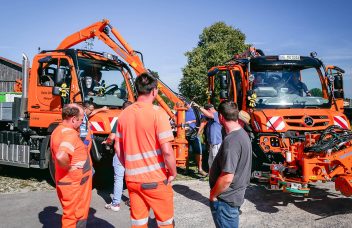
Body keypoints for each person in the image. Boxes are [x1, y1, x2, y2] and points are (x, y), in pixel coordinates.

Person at [115, 73, 177, 228]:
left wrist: (129, 166)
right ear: (154, 91)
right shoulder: (157, 113)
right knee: (165, 223)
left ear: (137, 90)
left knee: (139, 223)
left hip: (132, 180)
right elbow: (167, 151)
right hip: (155, 179)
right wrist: (173, 172)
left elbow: (117, 147)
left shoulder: (123, 115)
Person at [209, 101, 252, 228]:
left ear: (221, 117)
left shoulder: (232, 141)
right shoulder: (242, 134)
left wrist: (213, 195)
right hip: (232, 197)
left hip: (226, 200)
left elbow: (227, 178)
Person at [50, 103, 93, 228]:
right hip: (74, 185)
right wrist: (70, 168)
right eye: (80, 120)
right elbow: (61, 156)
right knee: (72, 217)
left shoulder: (58, 130)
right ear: (73, 119)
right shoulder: (69, 134)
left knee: (73, 215)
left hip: (68, 182)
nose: (81, 123)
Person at [104, 100, 132, 212]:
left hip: (121, 153)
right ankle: (133, 201)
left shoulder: (120, 120)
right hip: (134, 154)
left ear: (122, 109)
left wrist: (107, 142)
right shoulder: (138, 121)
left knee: (119, 178)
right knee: (132, 178)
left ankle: (115, 204)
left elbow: (111, 137)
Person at [193, 103, 223, 168]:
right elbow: (203, 121)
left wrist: (199, 107)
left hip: (217, 142)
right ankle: (211, 176)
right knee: (210, 161)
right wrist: (198, 133)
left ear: (209, 109)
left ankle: (216, 176)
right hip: (212, 142)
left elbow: (209, 115)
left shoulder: (217, 114)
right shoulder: (209, 116)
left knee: (216, 160)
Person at [184, 102, 207, 176]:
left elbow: (203, 120)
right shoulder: (180, 111)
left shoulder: (195, 110)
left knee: (198, 151)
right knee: (185, 152)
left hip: (194, 134)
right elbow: (175, 119)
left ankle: (200, 169)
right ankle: (186, 169)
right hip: (184, 135)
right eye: (184, 104)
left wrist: (199, 131)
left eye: (186, 104)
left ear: (189, 104)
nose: (185, 106)